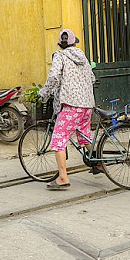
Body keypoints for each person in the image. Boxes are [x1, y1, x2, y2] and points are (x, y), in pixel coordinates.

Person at [38, 29, 97, 191]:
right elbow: (92, 78)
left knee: (58, 140)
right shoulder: (82, 56)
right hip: (87, 105)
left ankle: (63, 177)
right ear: (74, 42)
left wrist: (43, 94)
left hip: (71, 105)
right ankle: (98, 163)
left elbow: (54, 77)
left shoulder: (60, 55)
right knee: (84, 136)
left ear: (60, 44)